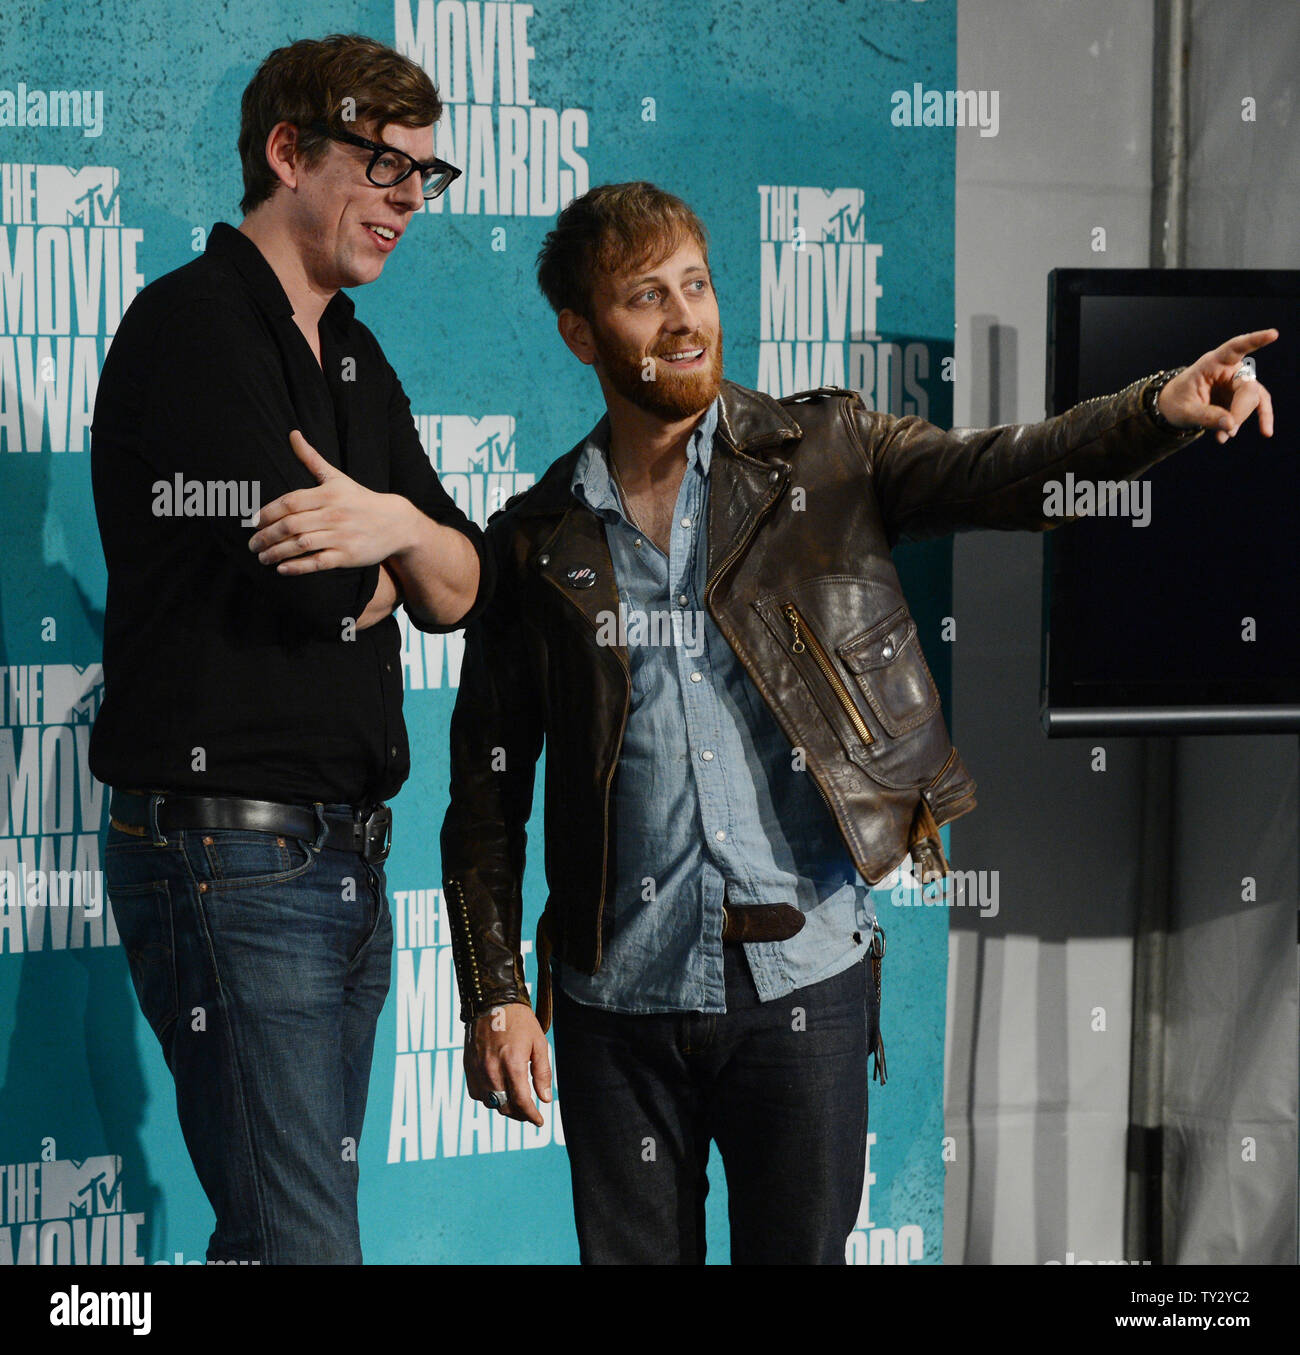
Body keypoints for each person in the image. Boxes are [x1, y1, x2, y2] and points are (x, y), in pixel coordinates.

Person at [438, 181, 1276, 1264]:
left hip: (804, 984)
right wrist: (496, 991)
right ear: (581, 330)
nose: (686, 316)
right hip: (617, 1008)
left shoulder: (824, 453)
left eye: (696, 282)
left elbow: (1008, 470)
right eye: (647, 296)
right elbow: (485, 792)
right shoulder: (536, 539)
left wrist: (1151, 409)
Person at [90, 33, 488, 1264]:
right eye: (384, 167)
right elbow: (319, 586)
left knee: (280, 1240)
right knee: (300, 1246)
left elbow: (464, 586)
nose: (410, 202)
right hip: (230, 859)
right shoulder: (195, 328)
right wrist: (391, 552)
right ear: (287, 152)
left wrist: (400, 526)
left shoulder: (357, 354)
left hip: (343, 863)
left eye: (427, 174)